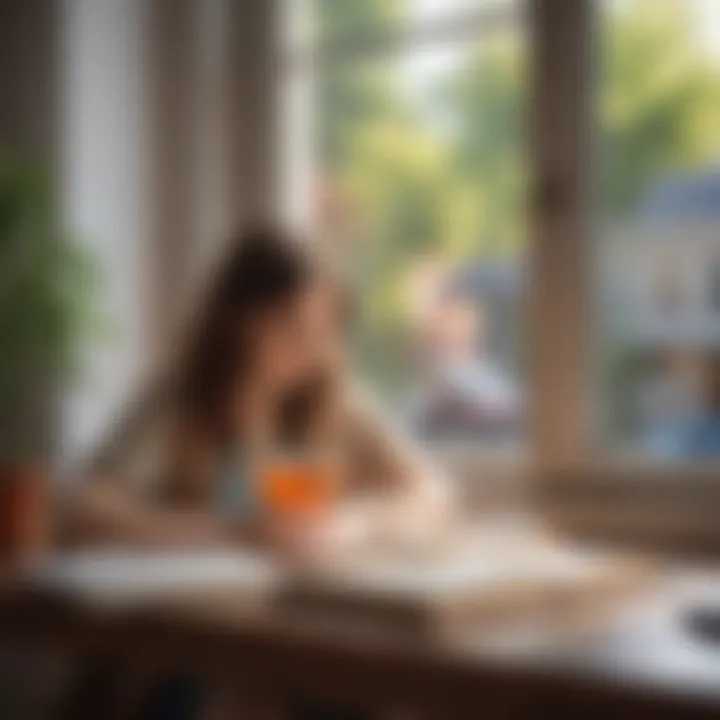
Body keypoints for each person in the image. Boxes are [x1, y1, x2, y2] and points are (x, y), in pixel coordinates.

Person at [67, 224, 451, 562]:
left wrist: (353, 523)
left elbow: (432, 492)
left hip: (302, 614)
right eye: (295, 325)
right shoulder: (181, 402)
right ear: (240, 322)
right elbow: (85, 508)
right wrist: (232, 533)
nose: (316, 348)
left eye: (328, 329)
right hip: (198, 621)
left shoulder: (337, 403)